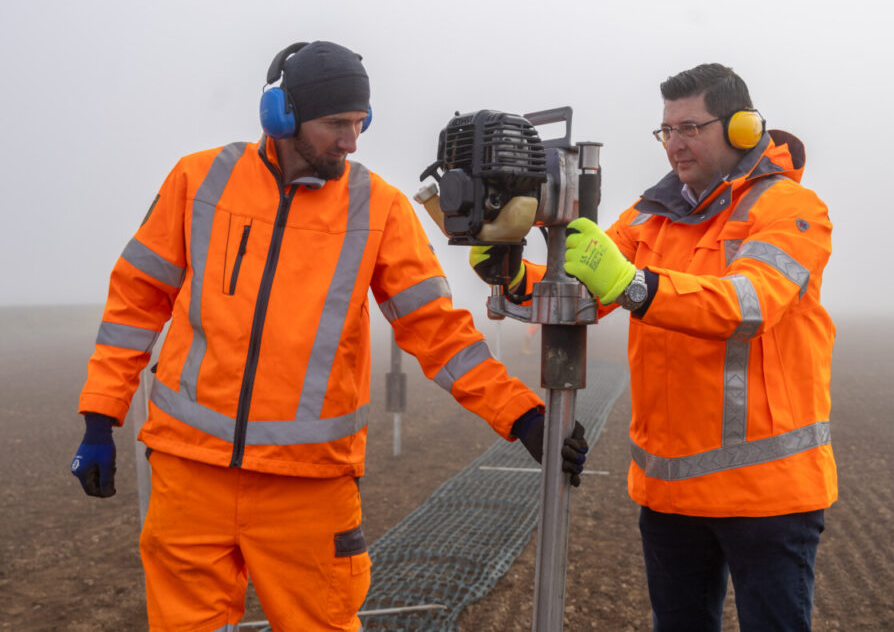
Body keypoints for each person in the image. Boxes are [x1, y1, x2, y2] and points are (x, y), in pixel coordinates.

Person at [70, 40, 588, 632]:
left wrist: (523, 417)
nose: (352, 140)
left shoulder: (380, 209)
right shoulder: (200, 181)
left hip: (309, 488)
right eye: (336, 123)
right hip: (190, 476)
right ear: (282, 117)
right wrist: (99, 418)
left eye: (360, 122)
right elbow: (134, 304)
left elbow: (437, 332)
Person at [474, 63, 836, 631]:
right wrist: (515, 277)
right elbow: (581, 290)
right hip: (670, 493)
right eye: (667, 130)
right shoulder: (650, 215)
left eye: (690, 127)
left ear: (742, 129)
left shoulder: (788, 208)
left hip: (767, 497)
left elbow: (750, 304)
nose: (675, 144)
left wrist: (636, 285)